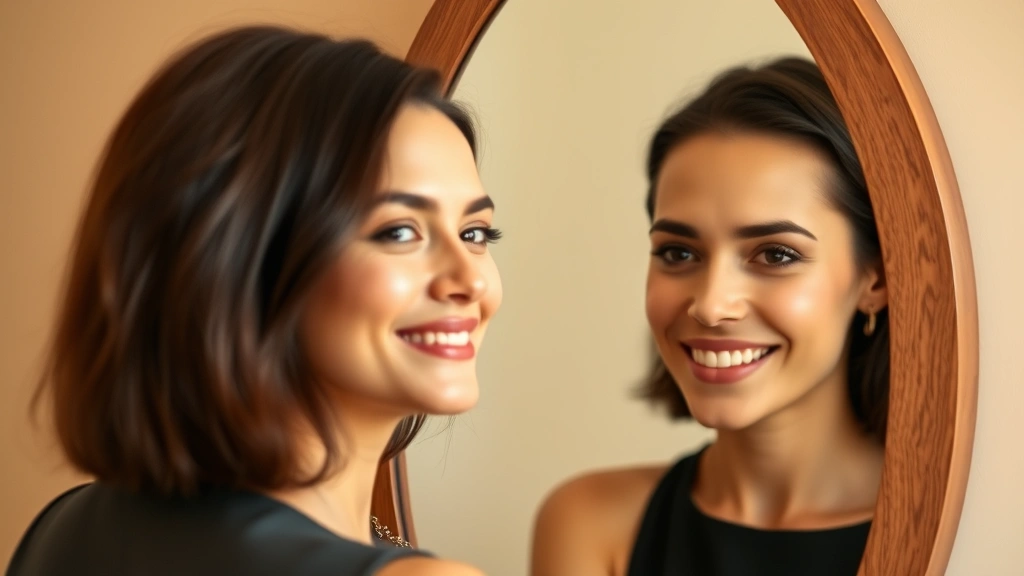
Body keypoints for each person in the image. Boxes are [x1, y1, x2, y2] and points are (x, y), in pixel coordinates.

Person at [8, 25, 501, 576]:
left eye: (476, 234)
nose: (470, 281)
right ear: (238, 257)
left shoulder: (66, 527)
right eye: (399, 232)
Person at [530, 57, 889, 576]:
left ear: (873, 280)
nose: (711, 305)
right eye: (678, 253)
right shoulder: (590, 523)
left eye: (775, 255)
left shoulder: (972, 526)